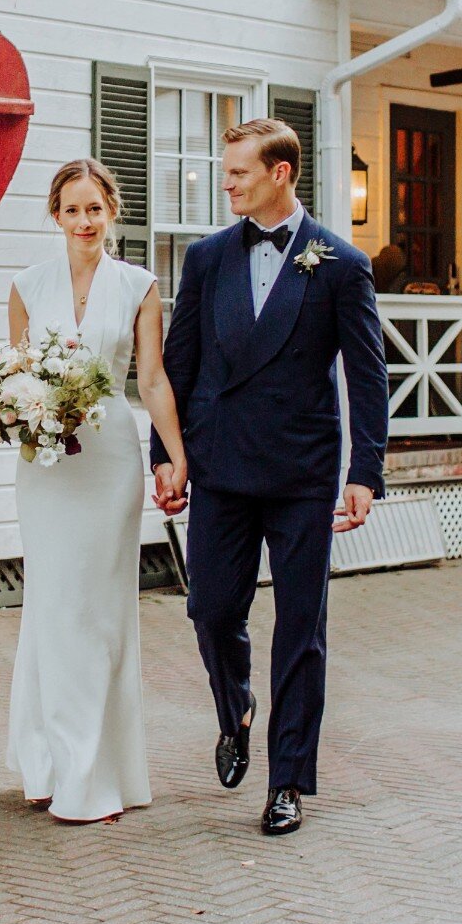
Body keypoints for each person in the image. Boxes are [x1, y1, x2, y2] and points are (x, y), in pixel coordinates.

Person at [150, 119, 388, 837]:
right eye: (226, 172)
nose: (226, 183)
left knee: (300, 628)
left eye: (239, 173)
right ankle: (236, 710)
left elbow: (367, 374)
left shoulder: (339, 264)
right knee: (211, 611)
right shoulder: (207, 257)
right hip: (220, 465)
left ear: (280, 174)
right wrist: (163, 456)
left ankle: (287, 778)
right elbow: (177, 363)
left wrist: (363, 471)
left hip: (300, 472)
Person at [3, 158, 187, 824]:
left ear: (112, 212)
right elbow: (14, 379)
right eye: (71, 209)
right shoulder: (26, 284)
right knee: (52, 604)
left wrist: (175, 454)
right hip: (47, 464)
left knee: (100, 611)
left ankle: (94, 771)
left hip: (108, 459)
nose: (84, 221)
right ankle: (45, 760)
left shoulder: (139, 285)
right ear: (55, 215)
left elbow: (153, 380)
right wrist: (3, 413)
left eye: (94, 208)